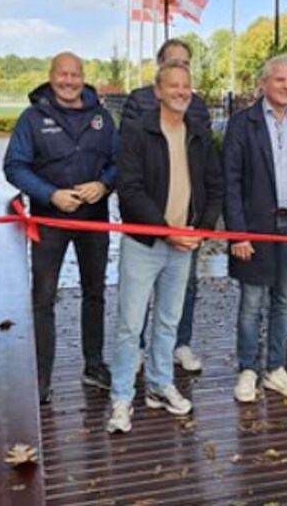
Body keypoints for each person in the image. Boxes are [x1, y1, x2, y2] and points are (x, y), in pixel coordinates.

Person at [107, 60, 222, 434]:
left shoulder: (198, 134)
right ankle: (122, 397)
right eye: (173, 85)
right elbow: (130, 189)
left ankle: (159, 383)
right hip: (144, 243)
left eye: (186, 86)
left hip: (184, 245)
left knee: (169, 321)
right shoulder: (137, 131)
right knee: (130, 325)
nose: (180, 92)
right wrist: (165, 230)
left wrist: (202, 231)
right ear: (158, 91)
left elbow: (214, 186)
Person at [3, 52, 120, 405]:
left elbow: (119, 162)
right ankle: (42, 377)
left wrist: (104, 185)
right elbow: (14, 166)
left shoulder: (101, 117)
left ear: (83, 77)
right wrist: (50, 194)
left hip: (94, 219)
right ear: (51, 76)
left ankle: (94, 365)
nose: (69, 81)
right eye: (62, 75)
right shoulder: (32, 118)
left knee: (95, 293)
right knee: (43, 297)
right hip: (49, 221)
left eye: (75, 75)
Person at [224, 55, 287, 403]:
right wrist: (238, 232)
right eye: (280, 80)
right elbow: (231, 181)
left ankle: (275, 367)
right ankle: (248, 368)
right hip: (256, 225)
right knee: (252, 301)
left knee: (284, 299)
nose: (286, 86)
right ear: (264, 83)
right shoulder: (242, 123)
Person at [120, 38, 210, 373]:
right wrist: (161, 227)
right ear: (160, 70)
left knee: (183, 292)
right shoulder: (138, 104)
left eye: (185, 64)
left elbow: (208, 173)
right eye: (174, 63)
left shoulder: (197, 108)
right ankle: (137, 352)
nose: (180, 73)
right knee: (136, 303)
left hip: (187, 228)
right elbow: (131, 177)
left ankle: (178, 346)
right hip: (148, 231)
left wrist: (201, 226)